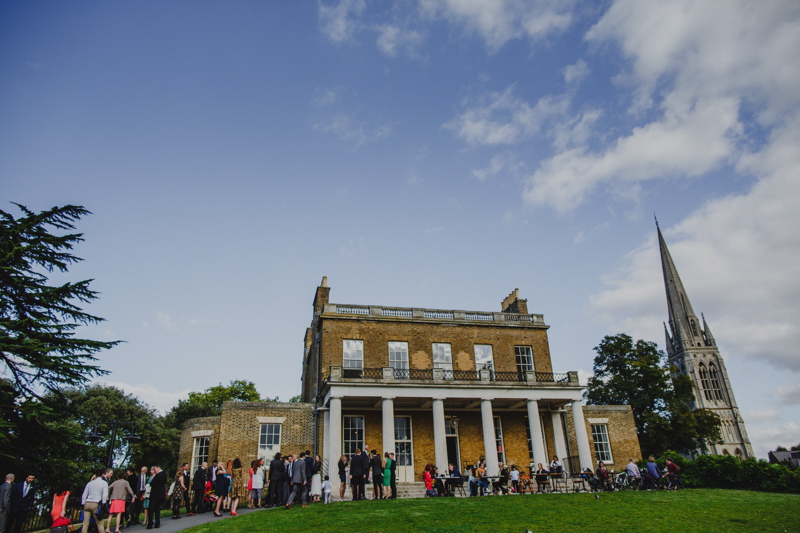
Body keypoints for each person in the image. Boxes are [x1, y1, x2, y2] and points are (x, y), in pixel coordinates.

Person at [81, 468, 111, 533]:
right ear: (102, 475)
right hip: (96, 503)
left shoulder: (90, 483)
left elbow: (84, 494)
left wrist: (83, 503)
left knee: (85, 523)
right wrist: (103, 502)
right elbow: (105, 495)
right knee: (99, 522)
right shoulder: (104, 483)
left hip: (87, 503)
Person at [147, 464, 167, 530]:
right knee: (157, 509)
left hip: (155, 494)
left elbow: (152, 484)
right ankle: (157, 523)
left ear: (158, 468)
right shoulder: (164, 474)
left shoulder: (158, 475)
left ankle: (150, 523)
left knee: (151, 509)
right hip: (161, 494)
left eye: (155, 469)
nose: (155, 470)